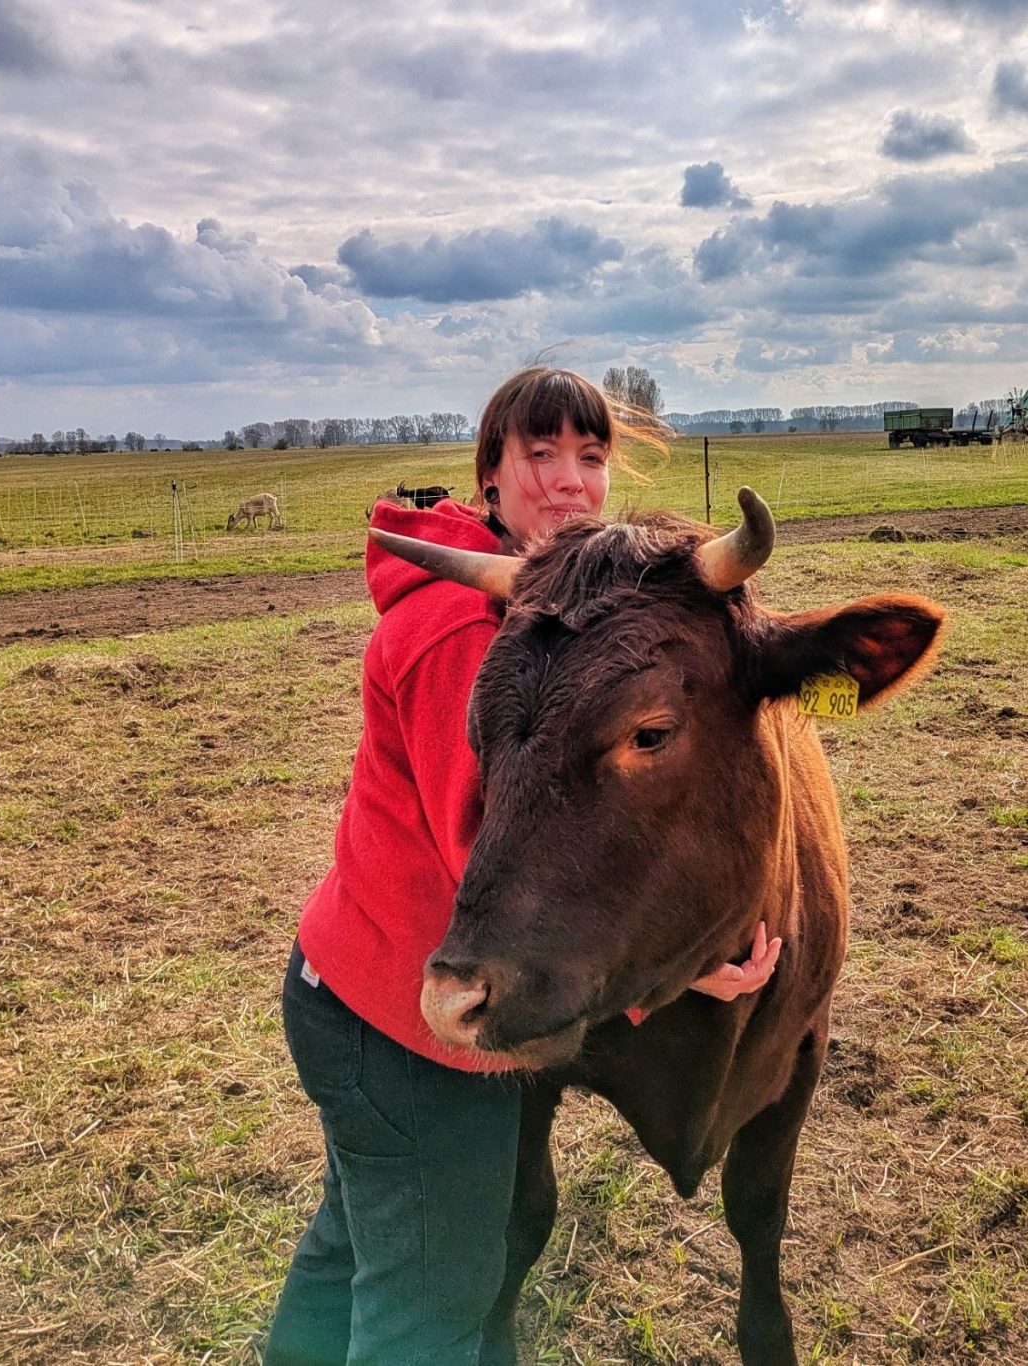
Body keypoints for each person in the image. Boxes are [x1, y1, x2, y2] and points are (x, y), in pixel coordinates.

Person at [264, 366, 782, 1365]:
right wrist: (674, 973)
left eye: (589, 457)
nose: (568, 484)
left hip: (354, 986)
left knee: (357, 1243)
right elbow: (510, 873)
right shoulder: (464, 632)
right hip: (411, 1028)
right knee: (435, 1306)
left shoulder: (542, 611)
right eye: (537, 455)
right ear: (488, 479)